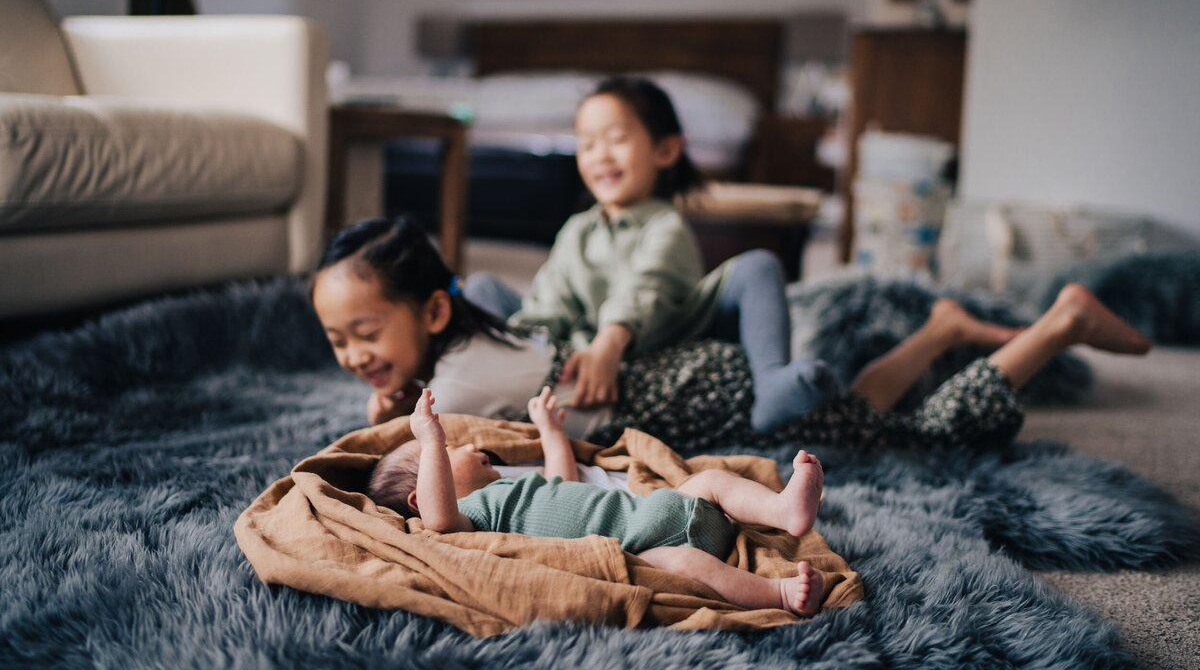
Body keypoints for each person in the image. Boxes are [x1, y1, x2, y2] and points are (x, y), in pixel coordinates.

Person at [310, 215, 1152, 457]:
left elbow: (396, 464)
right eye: (337, 340)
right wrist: (392, 380)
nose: (353, 355)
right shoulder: (473, 338)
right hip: (687, 375)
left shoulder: (453, 386)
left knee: (923, 441)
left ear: (431, 313)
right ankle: (940, 330)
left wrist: (386, 411)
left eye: (365, 332)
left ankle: (1057, 323)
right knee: (855, 414)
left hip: (707, 404)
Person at [463, 76, 833, 432]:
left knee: (759, 266)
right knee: (482, 290)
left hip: (673, 331)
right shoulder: (578, 230)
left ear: (666, 150)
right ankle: (474, 372)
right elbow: (552, 298)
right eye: (587, 144)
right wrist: (525, 343)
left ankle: (771, 384)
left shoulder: (665, 223)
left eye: (617, 139)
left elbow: (648, 286)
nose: (600, 156)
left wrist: (609, 342)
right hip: (587, 341)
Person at [368, 386, 827, 617]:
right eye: (451, 454)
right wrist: (430, 442)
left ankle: (782, 510)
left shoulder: (510, 489)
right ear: (422, 494)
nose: (468, 447)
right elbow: (439, 520)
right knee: (687, 567)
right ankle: (779, 593)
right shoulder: (471, 518)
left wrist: (550, 431)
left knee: (710, 479)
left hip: (659, 507)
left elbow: (561, 480)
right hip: (644, 546)